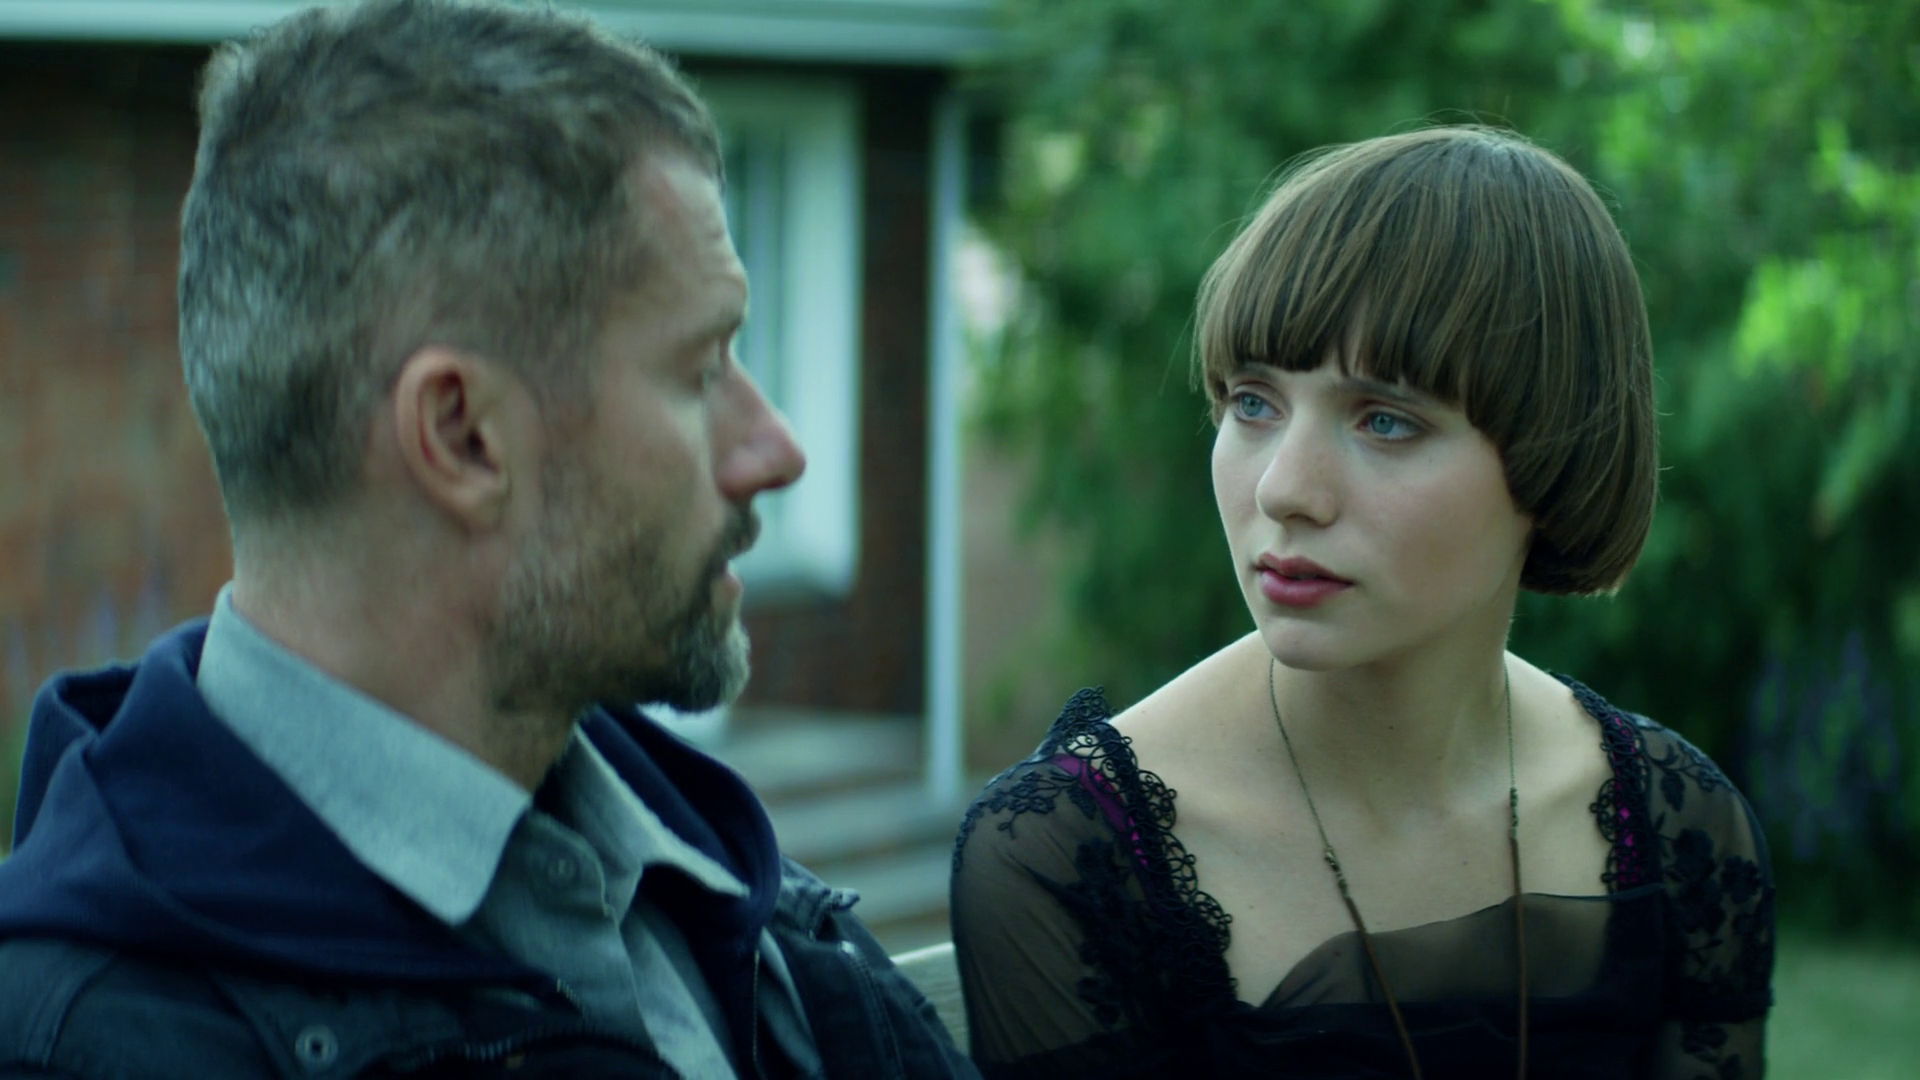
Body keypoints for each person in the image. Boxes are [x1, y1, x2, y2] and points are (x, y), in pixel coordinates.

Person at [0, 2, 975, 1077]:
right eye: (700, 370)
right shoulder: (102, 1046)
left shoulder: (708, 872)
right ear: (462, 435)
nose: (774, 449)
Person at [949, 126, 1774, 1080]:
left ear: (1553, 455)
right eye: (1253, 403)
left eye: (1384, 421)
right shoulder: (1069, 855)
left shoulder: (1677, 831)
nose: (1284, 489)